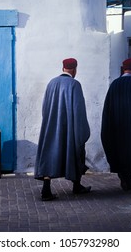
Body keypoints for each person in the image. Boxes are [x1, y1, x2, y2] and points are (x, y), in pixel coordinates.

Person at [34, 58, 91, 201]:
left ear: (63, 68)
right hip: (69, 128)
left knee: (49, 154)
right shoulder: (75, 84)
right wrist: (82, 132)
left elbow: (45, 108)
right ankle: (77, 186)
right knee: (76, 152)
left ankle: (46, 190)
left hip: (51, 127)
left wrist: (50, 123)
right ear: (75, 69)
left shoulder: (51, 83)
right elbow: (78, 111)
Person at [101, 57, 131, 191]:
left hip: (117, 127)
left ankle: (125, 178)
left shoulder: (114, 84)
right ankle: (129, 179)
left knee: (120, 153)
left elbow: (107, 109)